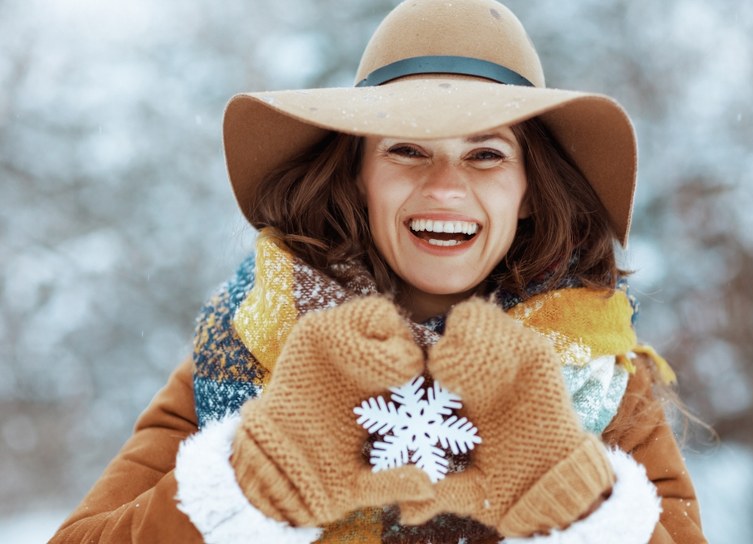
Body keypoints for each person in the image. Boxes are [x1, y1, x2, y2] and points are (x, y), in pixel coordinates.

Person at [50, 0, 707, 542]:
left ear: (528, 190)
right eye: (407, 150)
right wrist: (253, 481)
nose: (445, 187)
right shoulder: (246, 347)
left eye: (484, 155)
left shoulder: (604, 385)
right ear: (358, 175)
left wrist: (568, 491)